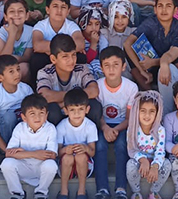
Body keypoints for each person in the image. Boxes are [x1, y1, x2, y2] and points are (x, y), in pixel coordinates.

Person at [123, 0, 178, 109]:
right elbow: (127, 43)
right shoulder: (150, 23)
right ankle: (150, 94)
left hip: (168, 65)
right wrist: (142, 70)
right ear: (155, 9)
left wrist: (156, 63)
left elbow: (171, 55)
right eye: (160, 6)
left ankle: (167, 107)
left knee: (175, 64)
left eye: (168, 6)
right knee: (130, 52)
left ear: (175, 10)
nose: (164, 10)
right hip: (148, 67)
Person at [95, 47, 138, 199]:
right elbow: (97, 113)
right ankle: (102, 189)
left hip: (122, 125)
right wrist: (105, 128)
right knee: (100, 146)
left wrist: (115, 130)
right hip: (103, 124)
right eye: (107, 65)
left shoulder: (131, 88)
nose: (111, 69)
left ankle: (121, 188)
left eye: (116, 64)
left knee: (121, 145)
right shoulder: (97, 86)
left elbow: (129, 119)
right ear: (101, 68)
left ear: (123, 66)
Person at [36, 34, 102, 127]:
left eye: (73, 55)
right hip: (59, 113)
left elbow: (94, 91)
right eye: (65, 56)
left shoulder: (81, 69)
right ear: (53, 59)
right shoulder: (45, 72)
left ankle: (89, 134)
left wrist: (64, 102)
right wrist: (75, 98)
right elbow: (45, 96)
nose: (71, 60)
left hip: (77, 112)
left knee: (95, 107)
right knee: (51, 110)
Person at [0, 94, 58, 199]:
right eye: (32, 114)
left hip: (41, 168)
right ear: (24, 117)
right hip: (24, 166)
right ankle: (17, 193)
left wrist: (21, 153)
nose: (37, 117)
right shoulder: (19, 128)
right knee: (6, 164)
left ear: (46, 115)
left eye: (41, 113)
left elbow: (52, 155)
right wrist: (35, 154)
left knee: (51, 165)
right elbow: (9, 153)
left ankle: (41, 193)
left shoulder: (50, 128)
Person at [126, 90, 171, 199]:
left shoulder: (160, 130)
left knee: (167, 164)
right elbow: (132, 149)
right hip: (139, 161)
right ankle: (136, 192)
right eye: (143, 111)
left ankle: (153, 192)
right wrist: (143, 160)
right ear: (137, 111)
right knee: (130, 165)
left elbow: (160, 151)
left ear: (157, 113)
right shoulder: (132, 129)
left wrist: (155, 166)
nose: (147, 115)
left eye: (152, 111)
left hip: (155, 160)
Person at [31, 0, 85, 84]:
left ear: (68, 11)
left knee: (81, 57)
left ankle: (75, 85)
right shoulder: (40, 25)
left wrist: (50, 49)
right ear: (47, 10)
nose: (59, 10)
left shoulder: (71, 25)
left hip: (66, 57)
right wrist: (67, 46)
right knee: (37, 59)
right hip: (50, 58)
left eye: (63, 7)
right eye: (55, 6)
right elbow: (37, 45)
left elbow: (80, 44)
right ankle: (37, 87)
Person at [56, 88, 99, 199]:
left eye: (80, 109)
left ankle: (81, 191)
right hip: (65, 165)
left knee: (80, 156)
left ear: (87, 109)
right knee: (67, 157)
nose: (77, 113)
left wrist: (85, 148)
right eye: (72, 110)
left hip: (85, 165)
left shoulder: (90, 126)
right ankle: (63, 191)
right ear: (65, 111)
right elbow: (57, 153)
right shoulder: (61, 126)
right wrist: (65, 150)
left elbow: (92, 152)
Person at [0, 0, 34, 83]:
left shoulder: (31, 31)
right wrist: (12, 34)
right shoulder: (1, 32)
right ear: (5, 17)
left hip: (19, 63)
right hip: (3, 66)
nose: (16, 14)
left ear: (27, 16)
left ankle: (23, 90)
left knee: (24, 67)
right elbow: (3, 58)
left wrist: (16, 58)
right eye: (12, 11)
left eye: (20, 11)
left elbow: (27, 56)